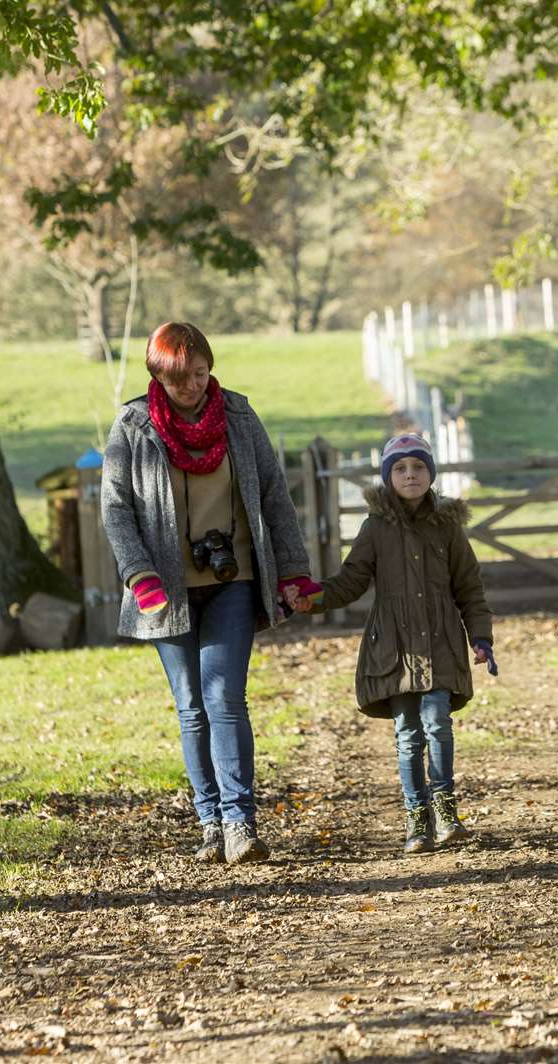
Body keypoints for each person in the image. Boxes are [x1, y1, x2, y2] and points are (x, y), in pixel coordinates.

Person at [101, 322, 319, 865]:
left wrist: (293, 570)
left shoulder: (239, 417)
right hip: (164, 591)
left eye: (200, 374)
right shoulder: (133, 425)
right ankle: (209, 823)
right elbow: (115, 508)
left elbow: (274, 494)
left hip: (233, 580)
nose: (193, 387)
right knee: (191, 706)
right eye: (180, 380)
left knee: (224, 697)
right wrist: (137, 571)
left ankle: (239, 822)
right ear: (158, 375)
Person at [297, 433, 495, 855]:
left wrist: (480, 637)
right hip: (394, 649)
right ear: (388, 477)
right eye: (401, 468)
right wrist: (312, 598)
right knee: (409, 734)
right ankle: (416, 817)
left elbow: (470, 587)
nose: (410, 475)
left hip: (441, 642)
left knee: (439, 725)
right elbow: (350, 581)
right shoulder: (376, 529)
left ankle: (446, 810)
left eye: (418, 467)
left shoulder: (448, 527)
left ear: (431, 474)